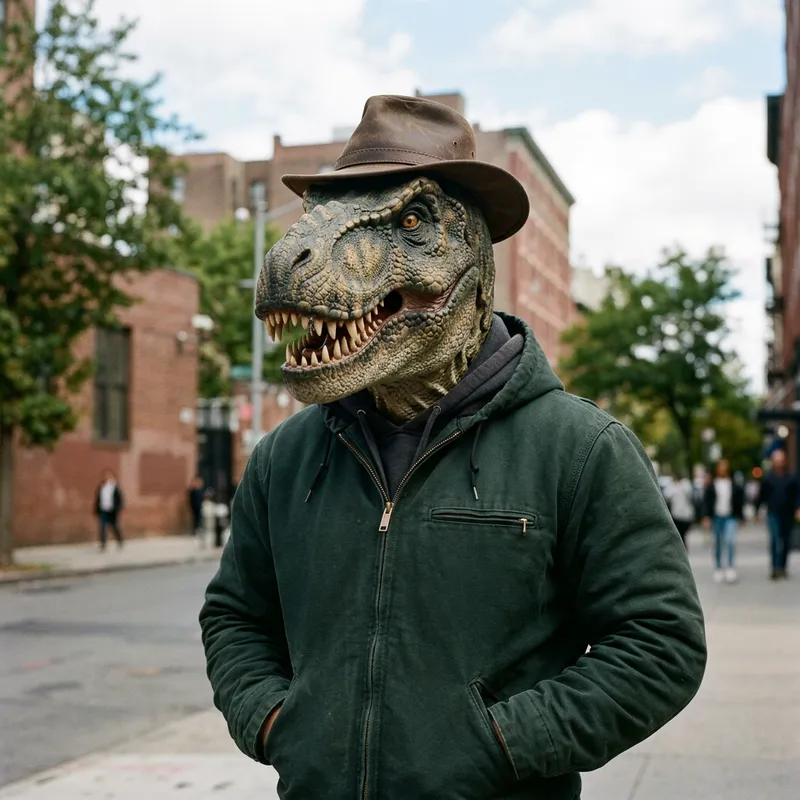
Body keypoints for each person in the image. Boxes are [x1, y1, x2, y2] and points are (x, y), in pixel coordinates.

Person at [200, 94, 706, 799]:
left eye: (410, 220)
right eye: (327, 213)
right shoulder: (285, 458)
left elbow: (660, 644)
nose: (304, 248)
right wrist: (275, 721)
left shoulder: (581, 449)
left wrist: (505, 742)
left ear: (469, 245)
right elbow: (234, 615)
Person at [759, 449, 800, 579]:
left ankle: (782, 566)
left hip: (787, 513)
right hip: (773, 512)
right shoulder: (768, 478)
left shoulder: (791, 477)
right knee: (775, 540)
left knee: (786, 540)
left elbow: (797, 495)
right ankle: (775, 568)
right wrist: (758, 510)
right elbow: (762, 496)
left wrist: (798, 509)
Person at [703, 459, 744, 583]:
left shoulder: (734, 485)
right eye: (720, 467)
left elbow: (739, 502)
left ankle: (730, 567)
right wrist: (706, 517)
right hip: (716, 517)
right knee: (718, 543)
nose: (723, 469)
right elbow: (706, 502)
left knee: (730, 541)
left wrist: (740, 517)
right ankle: (719, 567)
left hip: (730, 517)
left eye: (725, 467)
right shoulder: (712, 485)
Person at [94, 469, 123, 551]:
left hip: (112, 510)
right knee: (102, 527)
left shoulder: (114, 486)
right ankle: (103, 545)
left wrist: (117, 508)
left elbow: (120, 499)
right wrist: (96, 509)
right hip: (103, 510)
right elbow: (98, 499)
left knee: (114, 527)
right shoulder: (101, 486)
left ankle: (119, 541)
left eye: (108, 475)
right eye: (104, 475)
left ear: (111, 476)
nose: (106, 477)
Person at [665, 471, 695, 549]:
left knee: (683, 532)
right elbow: (667, 496)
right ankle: (682, 547)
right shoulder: (671, 486)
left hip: (686, 514)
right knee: (679, 533)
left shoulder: (686, 484)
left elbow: (689, 493)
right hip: (676, 514)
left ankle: (683, 547)